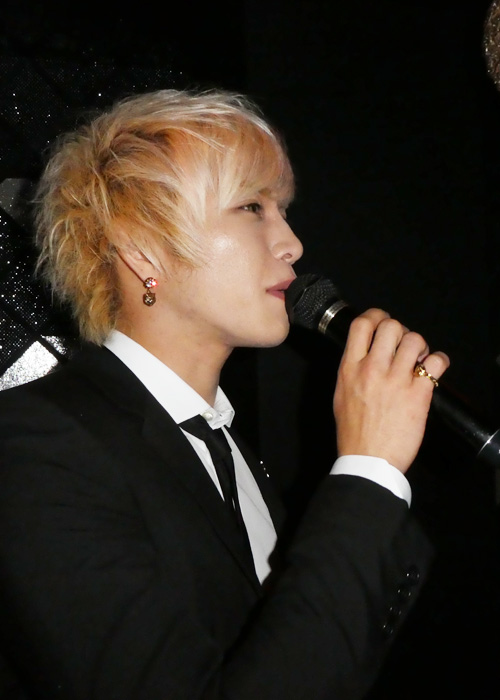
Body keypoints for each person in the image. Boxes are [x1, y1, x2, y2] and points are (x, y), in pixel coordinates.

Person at [0, 87, 449, 699]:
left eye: (281, 209)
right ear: (143, 248)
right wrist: (368, 470)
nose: (292, 243)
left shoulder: (227, 449)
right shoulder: (35, 444)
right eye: (252, 207)